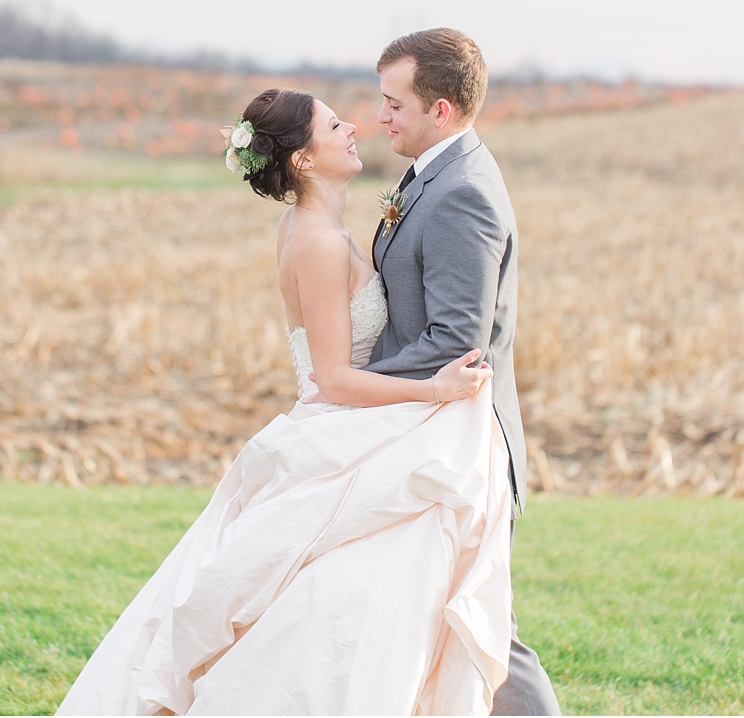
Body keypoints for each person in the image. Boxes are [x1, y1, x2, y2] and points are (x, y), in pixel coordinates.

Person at [56, 81, 517, 716]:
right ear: (302, 160)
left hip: (349, 426)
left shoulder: (318, 224)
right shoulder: (317, 241)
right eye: (333, 127)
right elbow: (333, 377)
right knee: (332, 611)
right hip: (339, 417)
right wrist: (434, 388)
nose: (354, 128)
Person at [359, 28, 561, 716]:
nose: (381, 116)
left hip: (466, 446)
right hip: (429, 434)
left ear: (439, 110)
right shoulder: (432, 174)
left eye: (394, 104)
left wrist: (357, 383)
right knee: (434, 618)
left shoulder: (462, 193)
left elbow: (456, 341)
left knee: (483, 625)